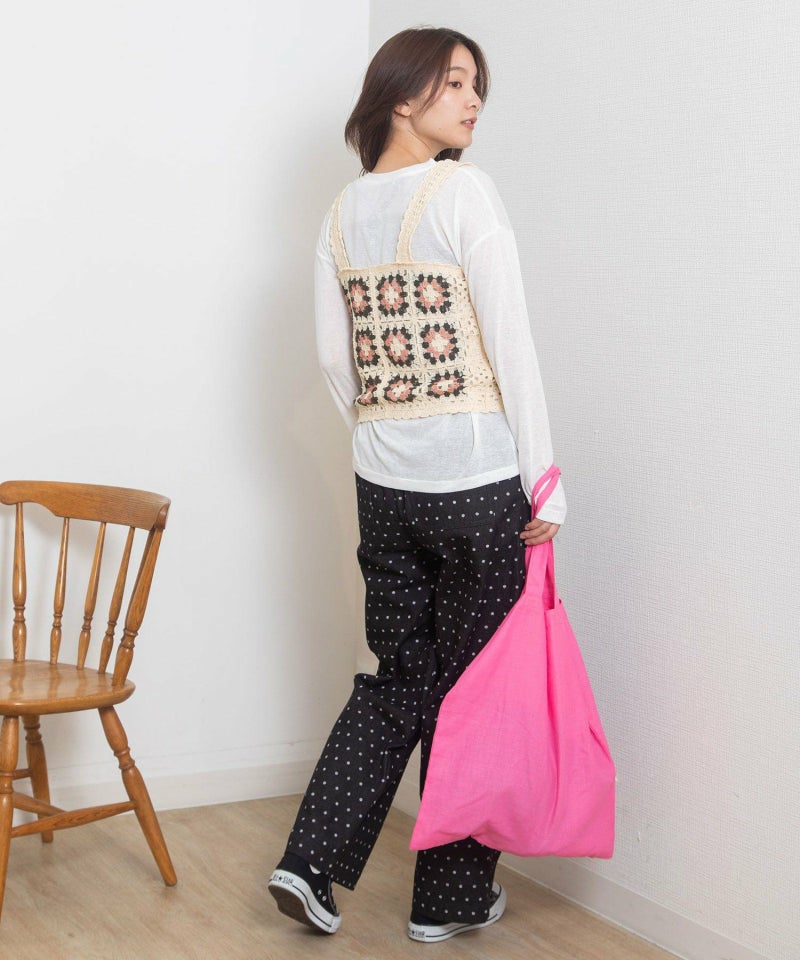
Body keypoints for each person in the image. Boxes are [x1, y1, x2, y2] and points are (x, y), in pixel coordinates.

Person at [268, 25, 566, 943]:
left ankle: (310, 862)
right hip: (477, 485)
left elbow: (335, 363)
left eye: (478, 87)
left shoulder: (339, 214)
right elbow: (511, 341)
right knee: (473, 691)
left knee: (401, 673)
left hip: (383, 486)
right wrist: (546, 479)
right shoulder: (462, 191)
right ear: (402, 96)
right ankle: (447, 901)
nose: (475, 103)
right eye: (457, 83)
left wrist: (386, 435)